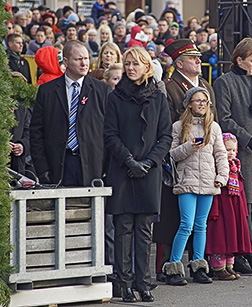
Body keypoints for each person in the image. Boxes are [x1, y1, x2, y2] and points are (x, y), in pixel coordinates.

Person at [104, 47, 172, 302]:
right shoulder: (115, 96)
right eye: (128, 63)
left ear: (147, 67)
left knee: (144, 229)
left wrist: (149, 161)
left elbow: (165, 135)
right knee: (123, 228)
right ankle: (124, 283)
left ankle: (143, 283)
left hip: (149, 169)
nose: (131, 68)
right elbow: (109, 134)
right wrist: (129, 160)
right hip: (123, 169)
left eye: (136, 64)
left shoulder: (158, 96)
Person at [152, 39, 218, 283]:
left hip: (204, 169)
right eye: (193, 58)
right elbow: (166, 125)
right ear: (179, 63)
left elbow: (214, 124)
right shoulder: (169, 87)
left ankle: (197, 264)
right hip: (178, 165)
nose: (199, 61)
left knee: (199, 224)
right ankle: (168, 266)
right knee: (174, 220)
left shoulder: (205, 86)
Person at [214, 37, 252, 277]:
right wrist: (247, 138)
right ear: (239, 60)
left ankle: (241, 256)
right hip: (237, 154)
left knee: (251, 208)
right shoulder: (224, 83)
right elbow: (224, 118)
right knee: (242, 208)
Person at [163, 87, 228, 286]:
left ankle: (199, 267)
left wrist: (222, 176)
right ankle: (173, 267)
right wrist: (189, 147)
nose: (201, 104)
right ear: (189, 103)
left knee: (201, 226)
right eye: (197, 100)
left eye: (205, 101)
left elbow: (221, 154)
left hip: (208, 181)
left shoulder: (214, 127)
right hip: (187, 181)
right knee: (186, 225)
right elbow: (172, 155)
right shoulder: (178, 126)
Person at [30, 40, 112, 186]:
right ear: (66, 62)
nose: (84, 63)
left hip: (92, 166)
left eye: (86, 58)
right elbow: (36, 132)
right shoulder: (47, 91)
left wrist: (106, 168)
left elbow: (110, 131)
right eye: (78, 59)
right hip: (59, 165)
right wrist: (42, 170)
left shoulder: (102, 90)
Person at [205, 133, 252, 280]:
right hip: (222, 207)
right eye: (226, 150)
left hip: (234, 207)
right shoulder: (217, 167)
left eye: (233, 150)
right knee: (220, 235)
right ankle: (218, 267)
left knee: (232, 235)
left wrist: (243, 209)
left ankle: (228, 266)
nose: (230, 153)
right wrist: (214, 210)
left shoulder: (236, 166)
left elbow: (241, 189)